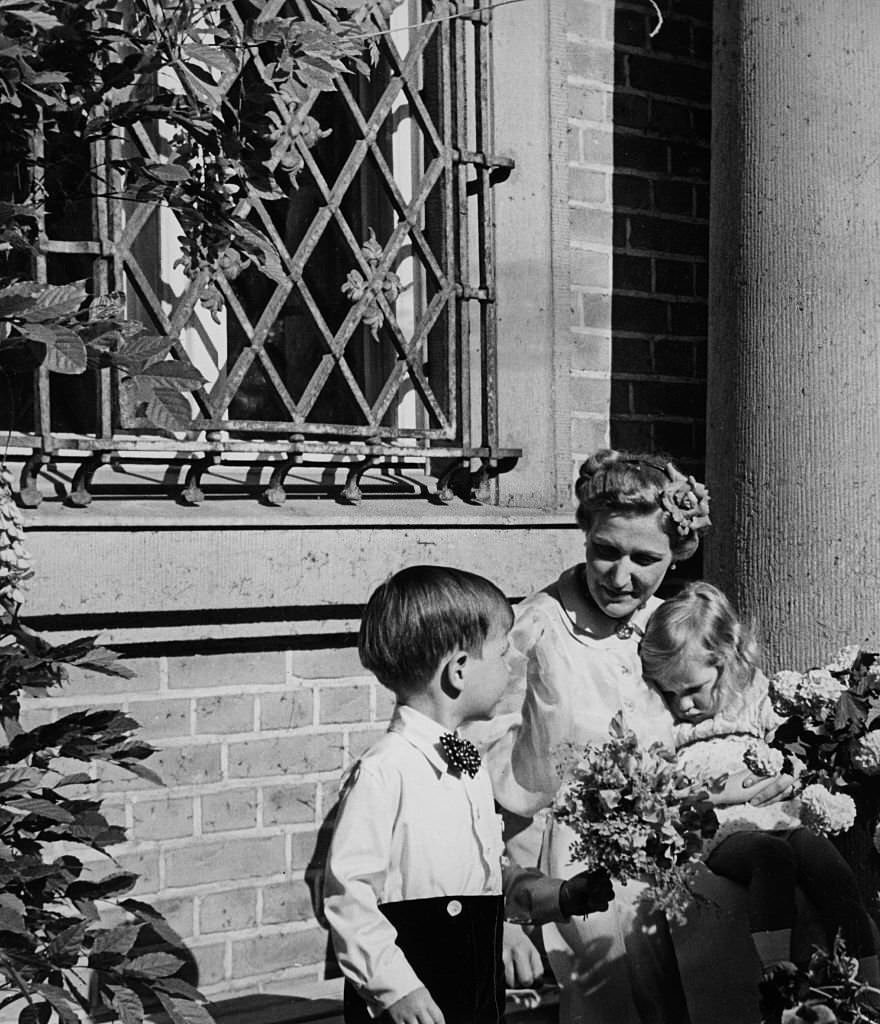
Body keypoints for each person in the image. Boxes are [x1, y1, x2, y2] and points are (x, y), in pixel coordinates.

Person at [486, 449, 795, 1024]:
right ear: (584, 535)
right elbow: (464, 767)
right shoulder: (533, 630)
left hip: (669, 865)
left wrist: (777, 769)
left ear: (674, 555)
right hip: (566, 873)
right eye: (605, 551)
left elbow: (738, 712)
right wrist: (500, 908)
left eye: (644, 558)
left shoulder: (669, 628)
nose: (621, 576)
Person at [323, 565, 615, 1024]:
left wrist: (557, 896)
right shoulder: (386, 770)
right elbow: (348, 895)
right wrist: (396, 990)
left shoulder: (467, 763)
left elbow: (486, 878)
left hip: (473, 988)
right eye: (502, 655)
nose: (509, 666)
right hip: (413, 992)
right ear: (459, 670)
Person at [639, 580, 880, 987]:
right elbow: (677, 792)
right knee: (770, 858)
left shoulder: (754, 699)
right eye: (670, 692)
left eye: (693, 689)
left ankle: (870, 983)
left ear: (727, 660)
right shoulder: (674, 730)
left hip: (779, 816)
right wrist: (733, 788)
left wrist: (793, 771)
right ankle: (778, 972)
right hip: (719, 831)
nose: (683, 704)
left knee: (832, 870)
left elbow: (792, 754)